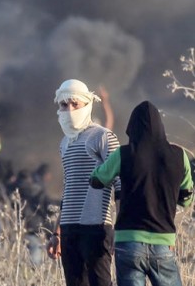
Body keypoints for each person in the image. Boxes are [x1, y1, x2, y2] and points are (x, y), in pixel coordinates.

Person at [90, 101, 193, 286]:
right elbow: (186, 199)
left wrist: (98, 161)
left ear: (131, 128)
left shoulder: (123, 154)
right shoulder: (180, 156)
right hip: (163, 243)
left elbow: (97, 180)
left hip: (128, 243)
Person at [46, 79, 121, 286]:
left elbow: (119, 184)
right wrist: (57, 232)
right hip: (69, 229)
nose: (69, 110)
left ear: (87, 104)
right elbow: (68, 189)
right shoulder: (64, 143)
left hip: (96, 226)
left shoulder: (104, 136)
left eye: (75, 104)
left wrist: (120, 227)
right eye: (64, 105)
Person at [14, 169, 56, 267]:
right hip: (36, 227)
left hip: (17, 227)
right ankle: (34, 275)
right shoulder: (38, 191)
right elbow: (49, 207)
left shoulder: (12, 190)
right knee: (36, 255)